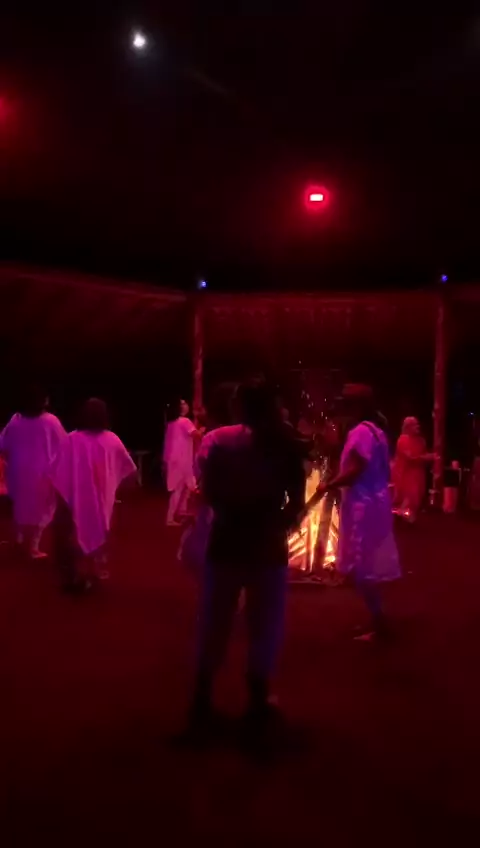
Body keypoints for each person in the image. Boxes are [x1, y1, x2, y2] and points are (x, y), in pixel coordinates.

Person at [190, 378, 305, 732]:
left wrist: (229, 513)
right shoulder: (285, 444)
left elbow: (209, 491)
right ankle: (258, 700)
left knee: (215, 620)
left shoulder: (219, 441)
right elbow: (296, 501)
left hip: (226, 541)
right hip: (267, 545)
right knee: (265, 623)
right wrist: (279, 524)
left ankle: (202, 700)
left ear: (238, 406)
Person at [306, 384, 400, 641]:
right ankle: (377, 619)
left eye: (345, 404)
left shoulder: (361, 432)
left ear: (356, 406)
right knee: (367, 564)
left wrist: (329, 484)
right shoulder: (377, 431)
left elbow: (356, 469)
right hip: (376, 502)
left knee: (362, 565)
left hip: (363, 504)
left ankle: (379, 624)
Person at [50, 398, 137, 591]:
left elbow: (57, 470)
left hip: (78, 495)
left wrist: (61, 495)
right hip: (102, 495)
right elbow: (129, 470)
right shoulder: (112, 439)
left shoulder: (73, 439)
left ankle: (80, 574)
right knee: (100, 528)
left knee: (77, 530)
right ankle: (94, 570)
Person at [0, 384, 66, 558]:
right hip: (42, 473)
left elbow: (3, 444)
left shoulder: (16, 420)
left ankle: (19, 540)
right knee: (42, 509)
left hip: (18, 470)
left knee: (20, 506)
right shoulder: (51, 421)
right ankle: (32, 546)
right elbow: (64, 446)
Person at [163, 399, 200, 526]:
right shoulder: (184, 421)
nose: (186, 405)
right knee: (181, 488)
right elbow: (196, 435)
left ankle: (180, 512)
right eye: (183, 403)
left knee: (185, 487)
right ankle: (170, 517)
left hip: (176, 460)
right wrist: (203, 430)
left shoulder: (172, 423)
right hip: (181, 460)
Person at [392, 416, 434, 521]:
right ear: (408, 427)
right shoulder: (403, 440)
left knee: (415, 500)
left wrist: (430, 457)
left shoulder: (421, 441)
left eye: (417, 424)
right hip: (405, 475)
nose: (417, 426)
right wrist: (426, 457)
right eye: (414, 424)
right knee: (408, 498)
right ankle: (402, 518)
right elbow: (410, 458)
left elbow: (422, 454)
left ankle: (408, 518)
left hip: (418, 475)